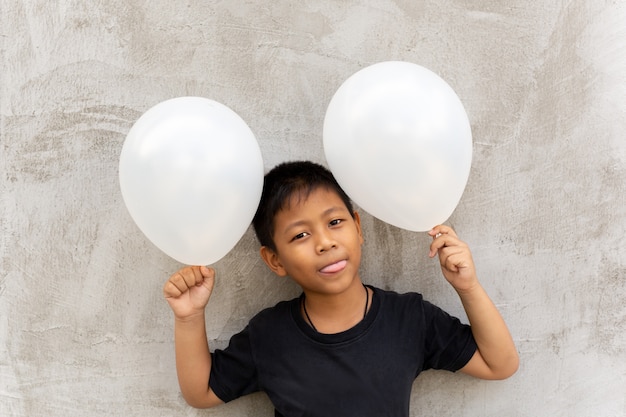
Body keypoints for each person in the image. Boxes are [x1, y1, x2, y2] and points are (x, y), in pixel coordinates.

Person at [163, 161, 518, 416]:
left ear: (358, 227)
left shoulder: (409, 319)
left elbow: (500, 364)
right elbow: (202, 392)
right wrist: (190, 316)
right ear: (275, 260)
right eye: (300, 235)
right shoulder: (269, 336)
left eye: (335, 222)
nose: (324, 242)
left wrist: (467, 286)